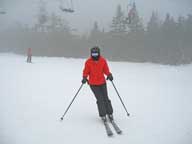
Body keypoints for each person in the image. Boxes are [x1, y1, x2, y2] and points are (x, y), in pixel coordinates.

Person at [81, 46, 114, 122]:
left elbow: (106, 70)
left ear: (99, 53)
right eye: (93, 54)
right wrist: (84, 77)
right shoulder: (88, 62)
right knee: (100, 99)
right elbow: (85, 71)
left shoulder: (103, 61)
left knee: (106, 98)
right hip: (93, 84)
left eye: (96, 54)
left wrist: (109, 75)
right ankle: (103, 115)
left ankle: (110, 113)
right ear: (91, 54)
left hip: (102, 83)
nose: (94, 55)